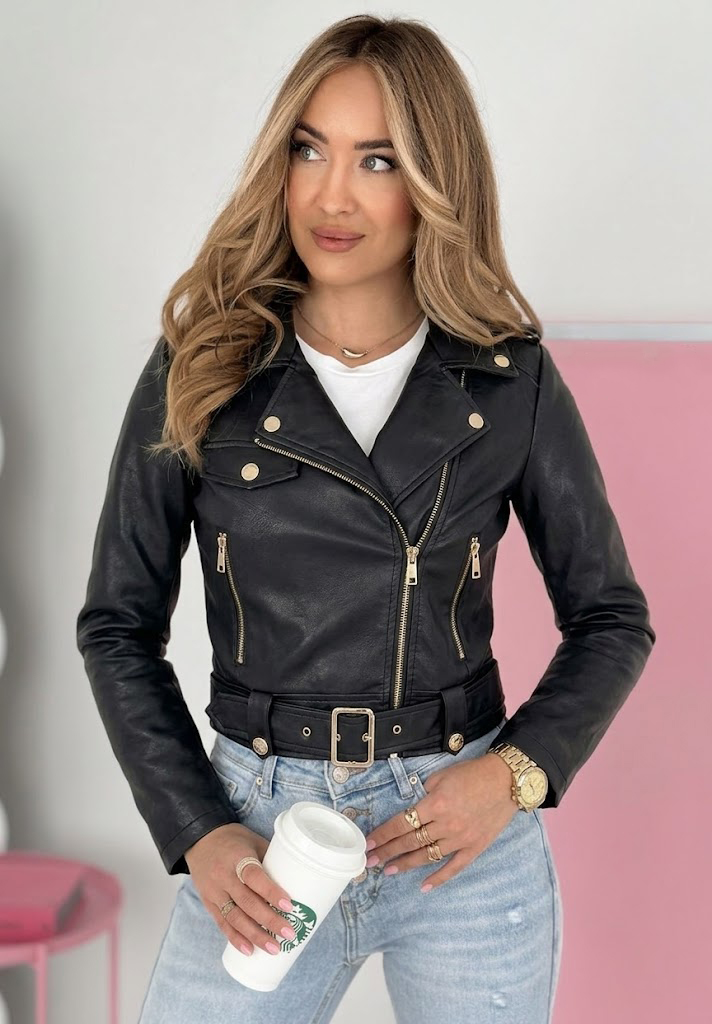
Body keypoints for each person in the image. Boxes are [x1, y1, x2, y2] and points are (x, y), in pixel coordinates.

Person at [75, 14, 656, 1024]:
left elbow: (612, 618)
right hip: (260, 831)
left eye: (376, 160)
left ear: (433, 183)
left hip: (458, 835)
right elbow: (116, 626)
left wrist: (511, 777)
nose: (331, 195)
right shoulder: (202, 367)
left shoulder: (506, 379)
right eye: (309, 150)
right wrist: (197, 829)